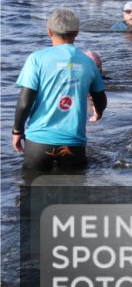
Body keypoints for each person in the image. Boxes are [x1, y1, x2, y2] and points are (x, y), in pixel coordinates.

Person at [11, 9, 107, 172]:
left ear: (49, 31)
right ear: (76, 32)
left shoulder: (36, 59)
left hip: (38, 143)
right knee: (73, 195)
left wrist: (17, 130)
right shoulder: (88, 62)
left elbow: (25, 101)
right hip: (73, 144)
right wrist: (98, 112)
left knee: (30, 193)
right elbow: (100, 99)